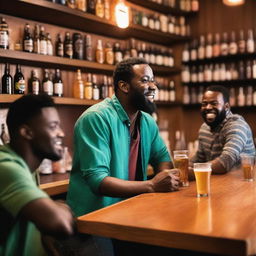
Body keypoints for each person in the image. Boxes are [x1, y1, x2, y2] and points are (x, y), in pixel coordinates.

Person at [67, 58, 180, 255]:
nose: (153, 86)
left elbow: (162, 157)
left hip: (129, 214)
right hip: (92, 221)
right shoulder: (96, 118)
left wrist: (165, 178)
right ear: (124, 86)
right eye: (145, 80)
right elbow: (98, 180)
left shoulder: (147, 121)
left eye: (153, 80)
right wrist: (153, 185)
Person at [0, 94, 75, 256]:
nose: (61, 133)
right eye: (53, 126)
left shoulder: (27, 166)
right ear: (27, 132)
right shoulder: (6, 167)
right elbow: (61, 224)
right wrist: (61, 207)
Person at [190, 85, 255, 174]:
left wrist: (192, 172)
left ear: (226, 107)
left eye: (214, 103)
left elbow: (226, 161)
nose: (208, 107)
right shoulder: (204, 128)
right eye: (204, 104)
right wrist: (182, 169)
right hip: (217, 184)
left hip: (243, 183)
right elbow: (199, 160)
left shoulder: (237, 125)